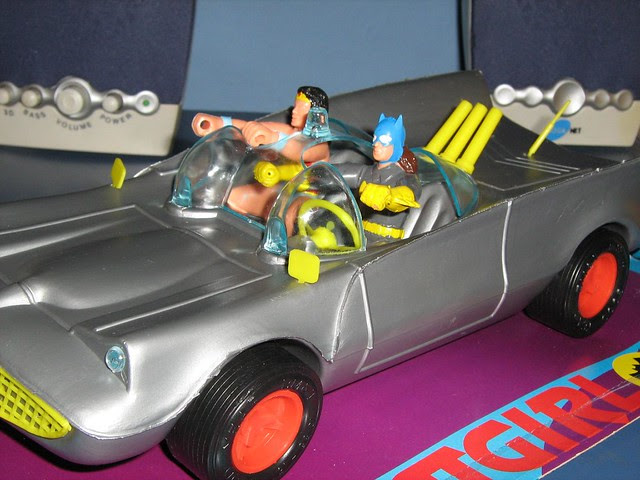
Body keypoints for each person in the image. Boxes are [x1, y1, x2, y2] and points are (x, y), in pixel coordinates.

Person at [191, 86, 329, 164]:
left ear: (316, 115)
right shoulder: (289, 131)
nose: (294, 111)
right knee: (235, 196)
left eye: (301, 109)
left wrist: (272, 138)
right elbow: (251, 127)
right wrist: (221, 124)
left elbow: (299, 151)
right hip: (281, 188)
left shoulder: (319, 145)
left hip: (309, 195)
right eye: (295, 107)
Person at [337, 114, 422, 240]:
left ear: (397, 145)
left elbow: (410, 193)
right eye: (375, 138)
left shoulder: (404, 177)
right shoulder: (367, 172)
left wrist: (389, 196)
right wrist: (317, 172)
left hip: (386, 241)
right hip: (360, 236)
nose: (376, 144)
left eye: (384, 140)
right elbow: (342, 172)